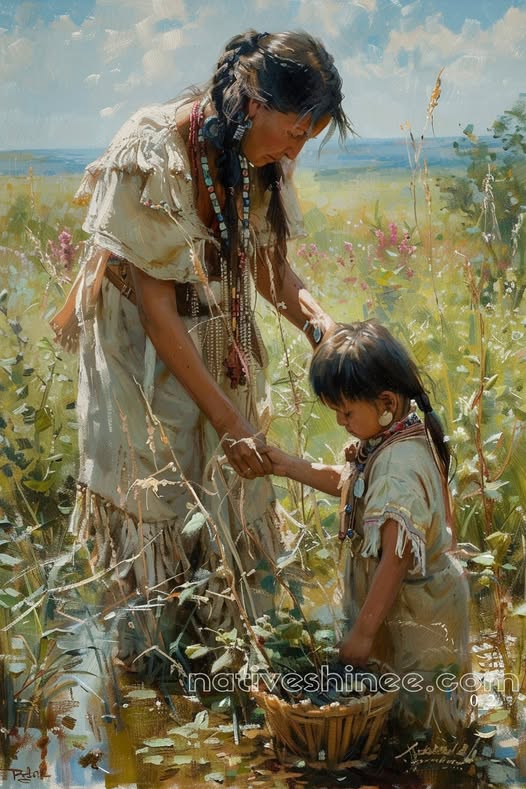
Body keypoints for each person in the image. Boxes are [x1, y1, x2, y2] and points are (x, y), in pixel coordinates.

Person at [50, 30, 353, 673]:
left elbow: (269, 269)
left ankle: (225, 652)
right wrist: (231, 423)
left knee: (229, 488)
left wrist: (325, 328)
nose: (297, 147)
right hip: (141, 346)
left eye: (308, 134)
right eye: (296, 130)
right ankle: (150, 670)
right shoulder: (154, 149)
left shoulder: (259, 159)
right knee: (154, 493)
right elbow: (159, 314)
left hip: (219, 329)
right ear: (250, 99)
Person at [267, 320, 472, 738]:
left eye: (346, 411)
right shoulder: (392, 438)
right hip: (399, 605)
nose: (341, 421)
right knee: (392, 706)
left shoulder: (399, 467)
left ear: (385, 402)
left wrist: (362, 633)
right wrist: (288, 465)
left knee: (421, 712)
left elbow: (395, 559)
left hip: (417, 612)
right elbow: (350, 485)